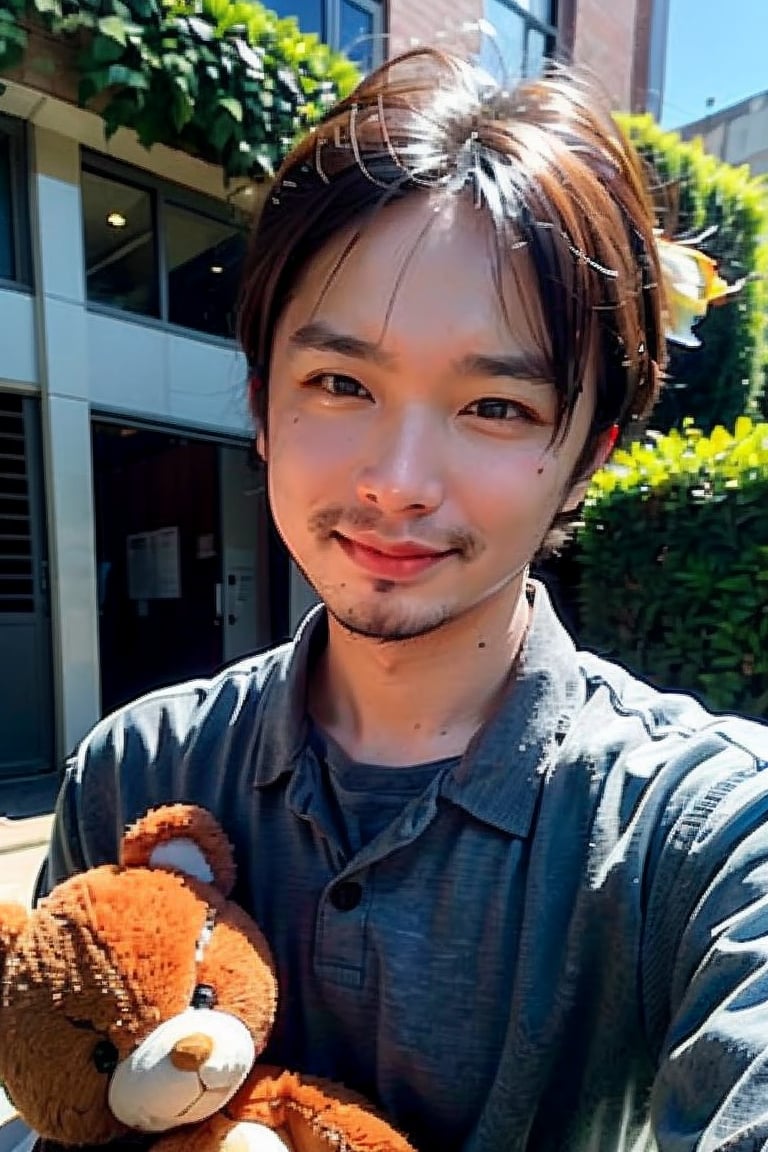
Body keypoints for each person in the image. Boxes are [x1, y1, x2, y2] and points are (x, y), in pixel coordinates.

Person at [34, 45, 768, 1152]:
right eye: (341, 383)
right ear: (264, 402)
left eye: (497, 408)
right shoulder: (139, 774)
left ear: (588, 454)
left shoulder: (703, 831)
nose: (397, 483)